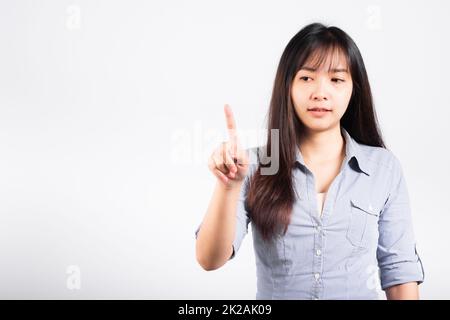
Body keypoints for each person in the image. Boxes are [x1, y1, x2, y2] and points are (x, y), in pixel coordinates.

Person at [194, 22, 424, 300]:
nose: (320, 92)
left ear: (354, 89)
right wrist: (228, 186)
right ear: (287, 86)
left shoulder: (383, 169)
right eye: (306, 78)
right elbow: (210, 259)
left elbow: (400, 273)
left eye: (336, 79)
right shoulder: (257, 163)